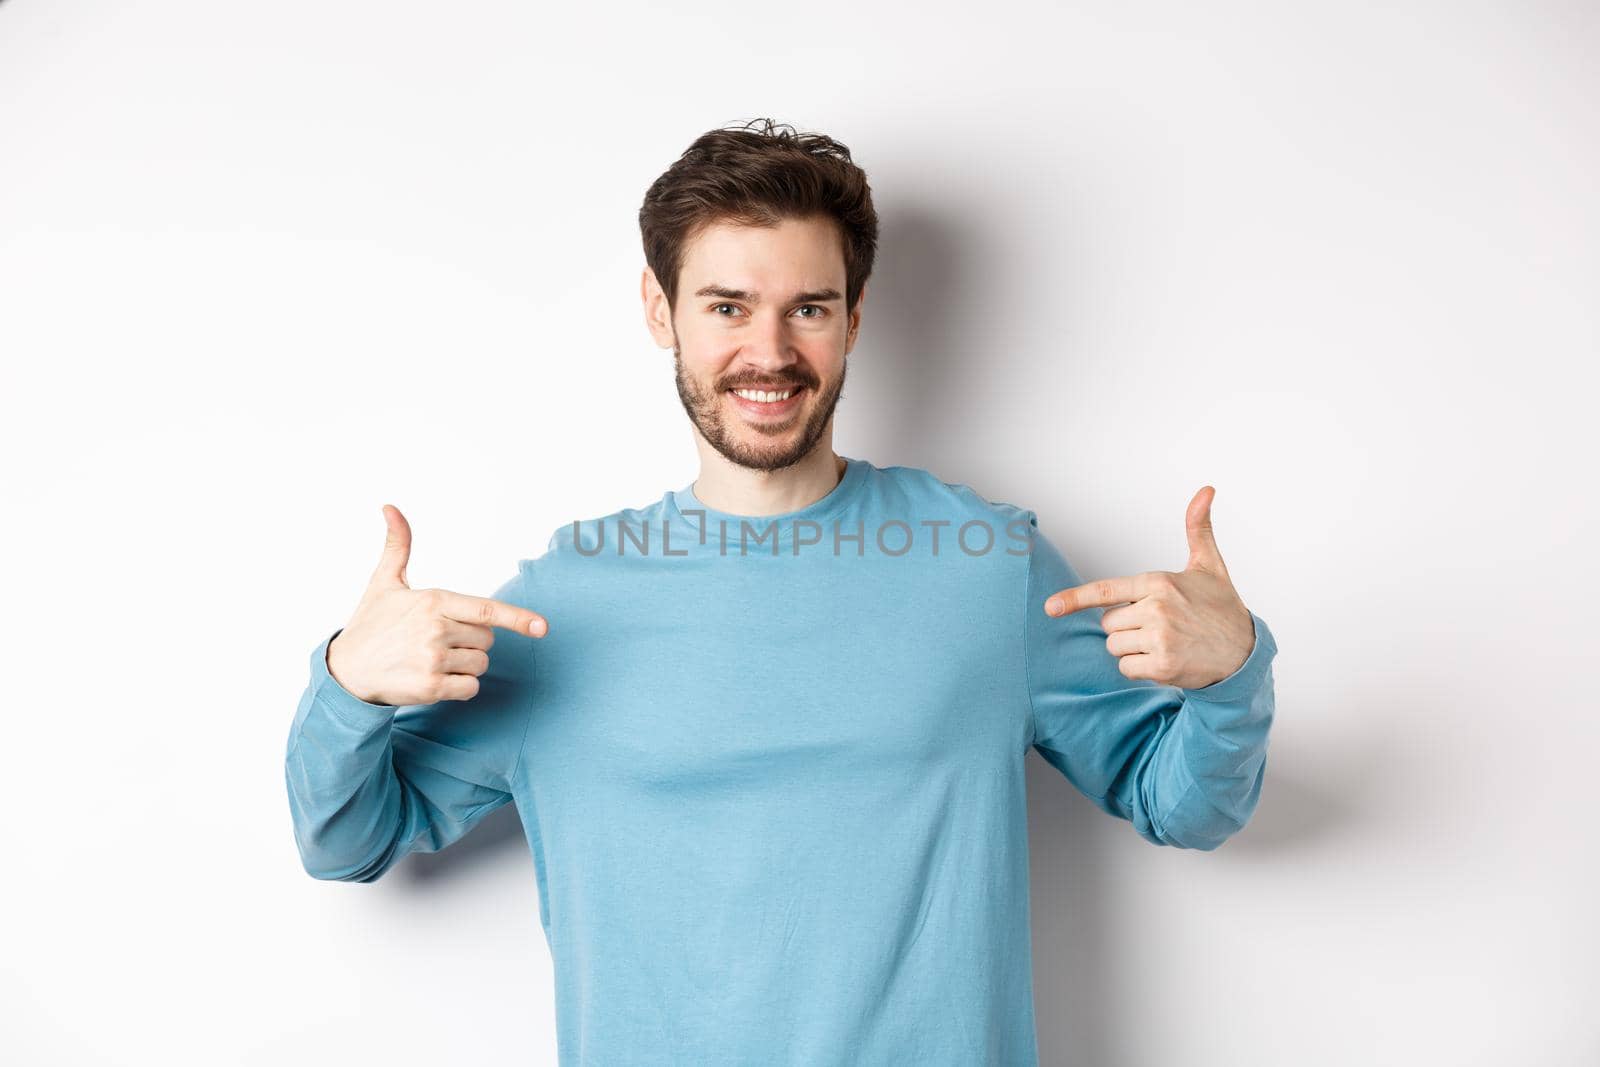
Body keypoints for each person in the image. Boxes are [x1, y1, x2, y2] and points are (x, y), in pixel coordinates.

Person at [283, 117, 1278, 1066]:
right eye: (727, 306)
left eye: (807, 306)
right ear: (658, 309)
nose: (770, 351)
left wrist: (1228, 675)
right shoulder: (567, 602)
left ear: (852, 317)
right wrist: (349, 687)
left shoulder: (984, 564)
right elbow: (346, 840)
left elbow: (1183, 804)